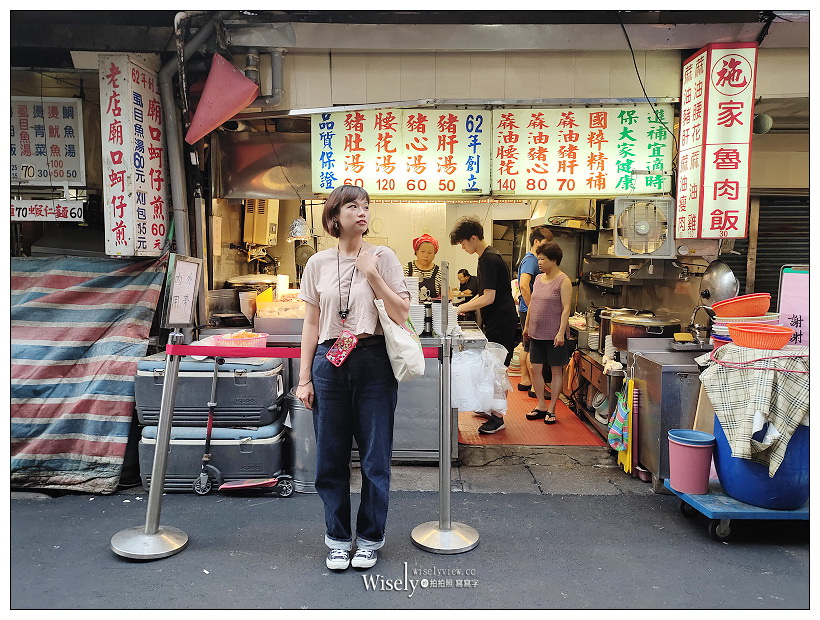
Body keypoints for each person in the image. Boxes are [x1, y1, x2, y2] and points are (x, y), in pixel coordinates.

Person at [296, 185, 411, 572]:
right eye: (352, 206)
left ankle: (370, 538)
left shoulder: (383, 256)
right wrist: (304, 379)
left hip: (373, 360)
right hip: (330, 362)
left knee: (375, 458)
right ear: (334, 215)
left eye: (365, 206)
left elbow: (401, 314)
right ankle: (338, 539)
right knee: (331, 457)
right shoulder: (318, 263)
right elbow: (310, 324)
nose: (361, 212)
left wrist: (373, 276)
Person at [449, 216, 519, 435]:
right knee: (492, 368)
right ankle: (490, 409)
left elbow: (488, 297)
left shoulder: (488, 259)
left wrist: (460, 309)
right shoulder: (489, 256)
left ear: (473, 238)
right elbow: (484, 295)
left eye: (462, 243)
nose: (462, 247)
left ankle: (498, 418)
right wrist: (465, 305)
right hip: (499, 320)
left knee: (498, 370)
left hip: (501, 321)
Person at [522, 242, 572, 425]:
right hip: (536, 332)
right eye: (538, 259)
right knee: (535, 368)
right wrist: (527, 327)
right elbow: (532, 304)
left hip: (554, 335)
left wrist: (560, 332)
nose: (539, 263)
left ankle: (552, 409)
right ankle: (541, 405)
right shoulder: (538, 279)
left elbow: (566, 309)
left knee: (556, 370)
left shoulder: (563, 280)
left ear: (554, 260)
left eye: (542, 259)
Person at [516, 227, 554, 396]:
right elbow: (524, 284)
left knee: (527, 346)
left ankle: (525, 380)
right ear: (536, 242)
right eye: (545, 244)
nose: (547, 248)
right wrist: (534, 308)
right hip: (529, 309)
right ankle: (534, 387)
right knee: (534, 349)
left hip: (525, 309)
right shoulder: (531, 260)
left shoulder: (528, 259)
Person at [403, 233, 441, 301]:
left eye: (429, 252)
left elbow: (444, 296)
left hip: (432, 310)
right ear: (416, 252)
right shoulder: (407, 269)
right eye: (422, 251)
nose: (426, 255)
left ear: (434, 254)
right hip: (410, 310)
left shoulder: (439, 272)